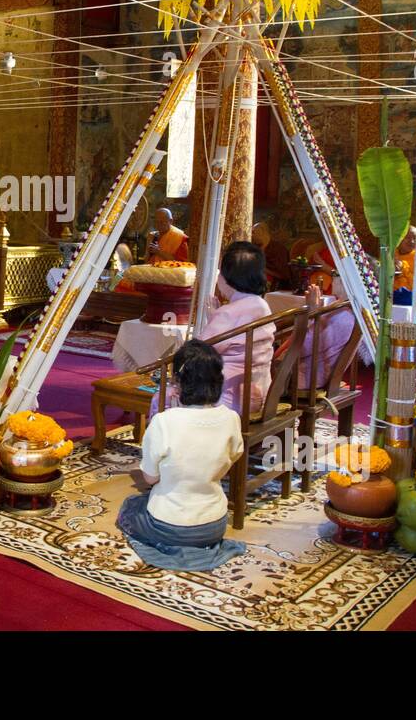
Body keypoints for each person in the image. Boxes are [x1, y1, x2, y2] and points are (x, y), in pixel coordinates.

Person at [116, 339, 246, 571]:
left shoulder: (164, 422)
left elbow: (150, 478)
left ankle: (170, 546)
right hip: (214, 525)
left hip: (169, 524)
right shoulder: (232, 418)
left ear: (178, 383)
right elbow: (233, 457)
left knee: (131, 506)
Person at [198, 241, 275, 416]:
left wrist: (215, 319)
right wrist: (215, 318)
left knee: (167, 393)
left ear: (227, 278)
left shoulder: (227, 314)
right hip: (261, 388)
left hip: (229, 398)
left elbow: (199, 352)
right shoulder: (263, 305)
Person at [252, 221, 291, 290]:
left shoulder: (279, 249)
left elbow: (283, 275)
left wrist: (263, 269)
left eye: (253, 232)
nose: (251, 236)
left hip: (277, 286)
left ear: (262, 232)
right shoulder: (255, 247)